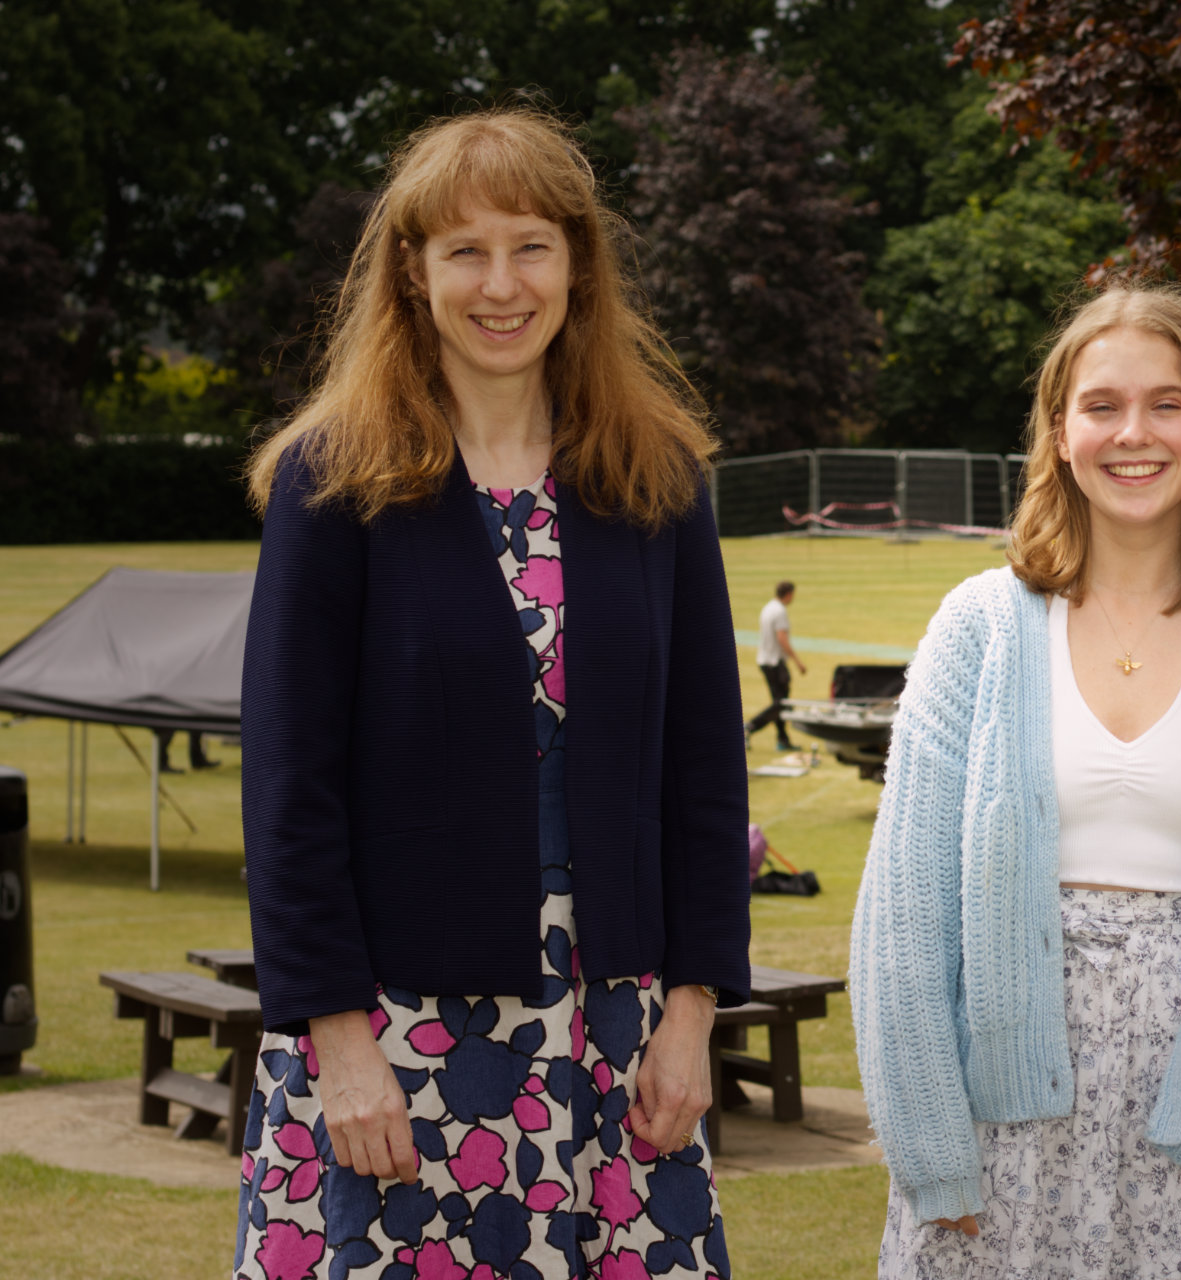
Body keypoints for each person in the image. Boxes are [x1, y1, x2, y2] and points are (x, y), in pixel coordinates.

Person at [234, 108, 751, 1280]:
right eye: (464, 250)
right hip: (394, 1030)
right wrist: (339, 1042)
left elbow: (703, 773)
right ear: (412, 274)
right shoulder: (336, 480)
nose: (500, 283)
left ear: (577, 265)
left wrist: (691, 1012)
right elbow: (288, 784)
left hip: (619, 1033)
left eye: (529, 245)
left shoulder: (654, 476)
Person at [851, 285, 1181, 1280]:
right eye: (1101, 405)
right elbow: (902, 923)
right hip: (995, 1141)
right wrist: (936, 1162)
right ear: (1060, 431)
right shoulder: (978, 627)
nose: (1133, 433)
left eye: (1166, 402)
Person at [745, 580, 806, 751]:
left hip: (765, 660)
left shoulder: (768, 607)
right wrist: (797, 661)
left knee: (779, 702)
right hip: (774, 662)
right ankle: (750, 727)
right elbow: (782, 638)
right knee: (782, 703)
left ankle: (782, 740)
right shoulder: (780, 611)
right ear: (788, 594)